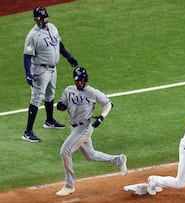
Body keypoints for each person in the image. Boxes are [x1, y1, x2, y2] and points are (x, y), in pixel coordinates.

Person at [55, 67, 127, 196]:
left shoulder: (92, 92)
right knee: (91, 155)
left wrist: (101, 117)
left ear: (85, 80)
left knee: (65, 151)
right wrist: (60, 106)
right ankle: (119, 160)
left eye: (81, 80)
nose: (79, 83)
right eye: (77, 81)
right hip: (74, 127)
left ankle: (69, 185)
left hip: (84, 128)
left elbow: (108, 103)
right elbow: (62, 104)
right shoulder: (68, 90)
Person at [22, 6, 78, 142]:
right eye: (42, 18)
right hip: (40, 70)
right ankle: (27, 132)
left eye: (45, 17)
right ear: (36, 19)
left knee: (50, 94)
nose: (45, 20)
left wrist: (68, 56)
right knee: (36, 98)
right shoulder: (32, 36)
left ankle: (49, 121)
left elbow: (59, 45)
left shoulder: (52, 27)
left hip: (53, 69)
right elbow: (27, 56)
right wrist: (28, 73)